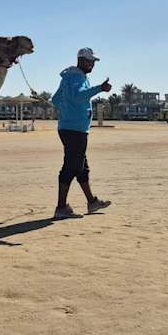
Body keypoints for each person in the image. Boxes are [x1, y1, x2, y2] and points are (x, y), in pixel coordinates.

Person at [50, 47, 112, 220]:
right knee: (72, 167)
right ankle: (61, 207)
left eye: (94, 62)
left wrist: (68, 110)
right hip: (75, 130)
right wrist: (100, 88)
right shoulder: (77, 77)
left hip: (69, 127)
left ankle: (92, 202)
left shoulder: (69, 77)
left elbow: (55, 100)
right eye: (90, 61)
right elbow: (78, 97)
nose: (93, 64)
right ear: (81, 60)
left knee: (81, 167)